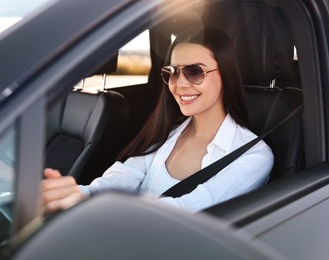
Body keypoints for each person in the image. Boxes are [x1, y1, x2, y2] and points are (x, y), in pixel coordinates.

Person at [41, 28, 273, 214]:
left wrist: (103, 209)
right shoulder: (167, 133)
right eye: (172, 72)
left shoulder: (254, 156)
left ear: (226, 73)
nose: (179, 84)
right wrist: (78, 195)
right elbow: (123, 178)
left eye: (194, 72)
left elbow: (192, 210)